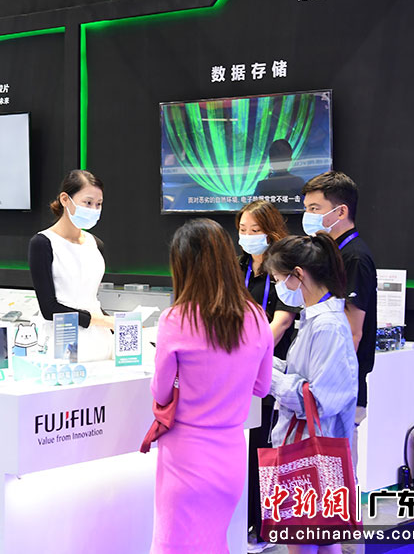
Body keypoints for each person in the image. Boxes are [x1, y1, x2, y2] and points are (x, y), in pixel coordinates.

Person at [151, 219, 273, 554]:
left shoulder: (176, 319)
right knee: (215, 543)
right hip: (230, 456)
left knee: (173, 545)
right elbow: (262, 387)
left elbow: (160, 392)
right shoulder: (257, 316)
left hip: (185, 456)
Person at [263, 234, 358, 554]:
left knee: (304, 540)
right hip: (308, 446)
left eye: (279, 279)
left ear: (298, 275)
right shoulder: (317, 318)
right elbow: (300, 374)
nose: (279, 286)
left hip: (309, 449)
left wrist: (266, 377)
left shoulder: (326, 325)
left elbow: (316, 399)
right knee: (323, 540)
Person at [236, 200, 301, 552]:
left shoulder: (285, 269)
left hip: (271, 368)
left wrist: (254, 354)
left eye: (255, 230)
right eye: (242, 230)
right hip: (238, 367)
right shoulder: (239, 265)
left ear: (271, 231)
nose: (247, 236)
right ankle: (244, 519)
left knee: (265, 447)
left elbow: (282, 321)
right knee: (244, 448)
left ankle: (264, 526)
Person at [301, 171, 376, 473]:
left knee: (336, 475)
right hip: (322, 387)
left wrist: (326, 383)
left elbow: (352, 332)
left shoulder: (355, 257)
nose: (308, 216)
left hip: (339, 389)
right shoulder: (331, 253)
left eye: (315, 209)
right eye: (306, 208)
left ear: (341, 211)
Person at [28, 169, 112, 361]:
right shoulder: (43, 243)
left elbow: (90, 299)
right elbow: (49, 308)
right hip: (63, 341)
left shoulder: (95, 244)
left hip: (101, 340)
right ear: (65, 199)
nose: (94, 209)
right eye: (88, 203)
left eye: (98, 204)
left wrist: (119, 323)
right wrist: (103, 320)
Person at [254, 139, 306, 203]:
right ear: (290, 160)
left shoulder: (262, 186)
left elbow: (253, 207)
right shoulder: (299, 183)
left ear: (270, 161)